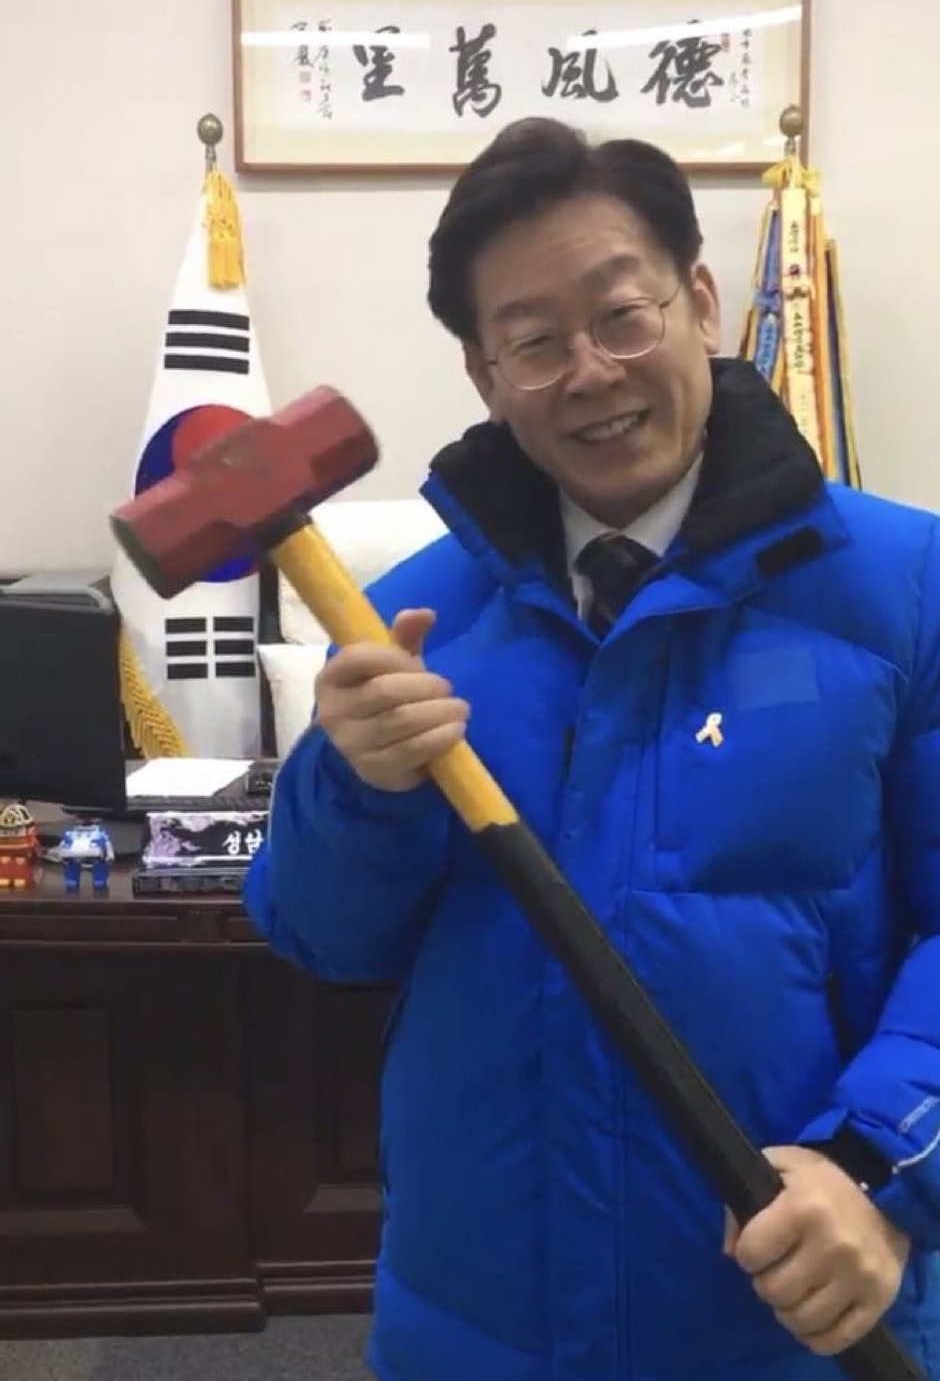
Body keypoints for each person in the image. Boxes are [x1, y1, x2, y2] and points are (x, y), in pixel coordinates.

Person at [243, 118, 940, 1381]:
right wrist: (356, 786)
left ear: (701, 302)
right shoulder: (409, 622)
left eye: (621, 316)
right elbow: (323, 938)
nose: (589, 372)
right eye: (533, 341)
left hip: (797, 1309)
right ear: (482, 373)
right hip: (479, 1320)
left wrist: (878, 1168)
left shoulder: (904, 586)